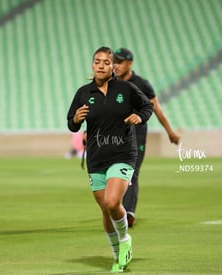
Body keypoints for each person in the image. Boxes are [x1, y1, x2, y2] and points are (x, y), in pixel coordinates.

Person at [67, 46, 153, 272]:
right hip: (96, 158)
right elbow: (71, 123)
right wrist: (76, 119)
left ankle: (125, 240)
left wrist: (139, 117)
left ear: (113, 66)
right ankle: (118, 256)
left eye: (106, 62)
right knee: (105, 209)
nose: (101, 66)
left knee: (112, 202)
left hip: (123, 154)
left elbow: (147, 106)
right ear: (92, 65)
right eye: (97, 62)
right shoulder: (83, 93)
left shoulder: (126, 88)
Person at [114, 48, 180, 227]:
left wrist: (170, 132)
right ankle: (116, 208)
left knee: (132, 173)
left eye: (119, 62)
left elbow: (156, 109)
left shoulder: (142, 84)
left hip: (137, 134)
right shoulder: (110, 83)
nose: (115, 65)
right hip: (116, 134)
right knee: (114, 173)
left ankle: (128, 213)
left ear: (129, 63)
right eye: (114, 62)